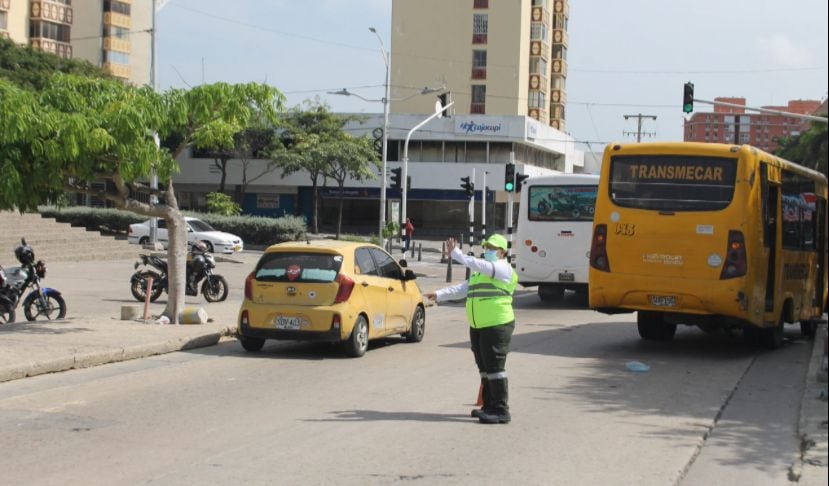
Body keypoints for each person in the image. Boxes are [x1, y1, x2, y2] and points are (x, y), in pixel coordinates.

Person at [424, 234, 518, 424]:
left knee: (495, 368)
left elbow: (481, 264)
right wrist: (439, 294)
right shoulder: (480, 274)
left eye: (492, 248)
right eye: (487, 247)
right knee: (484, 367)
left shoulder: (502, 268)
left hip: (497, 324)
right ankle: (489, 406)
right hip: (479, 325)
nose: (488, 251)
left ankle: (501, 410)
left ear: (502, 252)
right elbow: (462, 289)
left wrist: (458, 255)